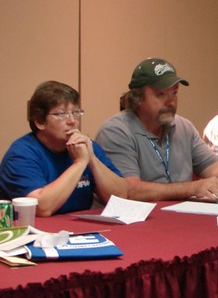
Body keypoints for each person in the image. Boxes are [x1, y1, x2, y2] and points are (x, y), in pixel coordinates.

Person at [95, 58, 218, 202]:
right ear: (138, 98)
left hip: (179, 216)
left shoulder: (184, 127)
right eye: (161, 94)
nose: (171, 102)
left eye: (174, 93)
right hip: (136, 219)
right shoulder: (116, 131)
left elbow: (214, 168)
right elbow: (129, 190)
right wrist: (191, 188)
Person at [0, 81, 127, 216]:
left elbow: (121, 197)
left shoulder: (86, 146)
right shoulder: (21, 154)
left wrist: (92, 159)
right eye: (61, 114)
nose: (72, 121)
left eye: (76, 112)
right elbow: (42, 208)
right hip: (35, 227)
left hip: (79, 225)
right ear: (40, 122)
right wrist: (79, 163)